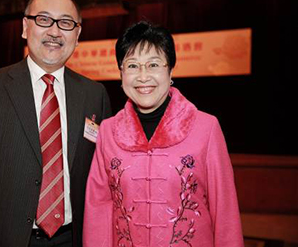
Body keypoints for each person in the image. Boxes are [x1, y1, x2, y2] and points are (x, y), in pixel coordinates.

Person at [0, 0, 111, 247]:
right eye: (44, 19)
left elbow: (103, 177)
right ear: (25, 27)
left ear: (77, 35)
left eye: (66, 23)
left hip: (73, 239)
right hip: (2, 238)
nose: (55, 32)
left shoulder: (94, 95)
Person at [83, 21, 244, 247]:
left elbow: (225, 211)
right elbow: (98, 208)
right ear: (121, 73)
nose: (143, 76)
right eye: (132, 66)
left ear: (170, 71)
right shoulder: (109, 131)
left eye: (153, 65)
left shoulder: (206, 128)